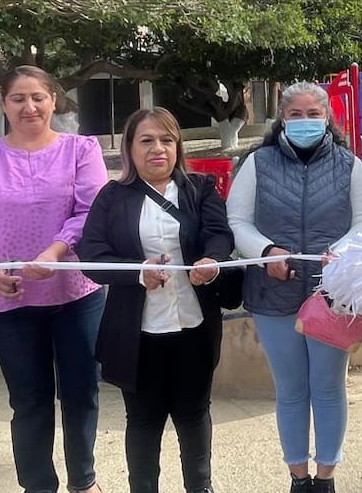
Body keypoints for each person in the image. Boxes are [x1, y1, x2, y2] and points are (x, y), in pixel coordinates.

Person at [0, 66, 108, 493]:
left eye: (38, 97)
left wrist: (54, 253)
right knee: (29, 401)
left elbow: (93, 214)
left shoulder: (80, 150)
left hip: (76, 294)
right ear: (4, 104)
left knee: (81, 394)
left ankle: (84, 481)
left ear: (54, 100)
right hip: (8, 300)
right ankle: (37, 485)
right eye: (18, 98)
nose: (29, 106)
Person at [226, 82, 362, 493]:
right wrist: (266, 251)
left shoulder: (350, 165)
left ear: (328, 118)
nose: (306, 121)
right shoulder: (257, 163)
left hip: (334, 297)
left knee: (328, 387)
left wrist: (341, 253)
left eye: (314, 114)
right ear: (282, 119)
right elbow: (237, 221)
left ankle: (326, 475)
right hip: (273, 295)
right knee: (290, 389)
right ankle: (297, 476)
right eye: (296, 114)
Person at [76, 108, 235, 493]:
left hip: (194, 326)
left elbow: (220, 234)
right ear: (130, 148)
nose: (157, 148)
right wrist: (136, 272)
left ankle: (201, 487)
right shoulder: (112, 198)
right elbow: (91, 258)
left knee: (195, 416)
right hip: (138, 333)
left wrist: (212, 262)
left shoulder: (200, 189)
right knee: (143, 422)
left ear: (178, 145)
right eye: (146, 140)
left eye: (166, 139)